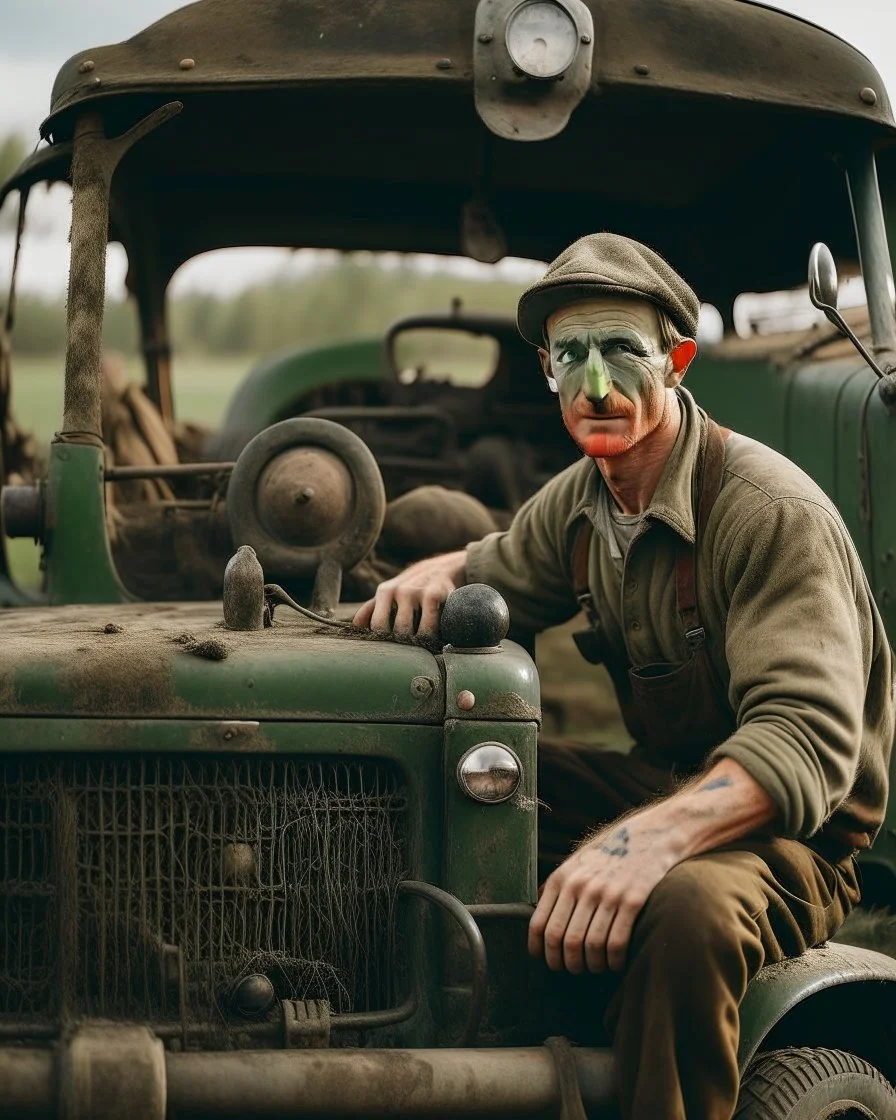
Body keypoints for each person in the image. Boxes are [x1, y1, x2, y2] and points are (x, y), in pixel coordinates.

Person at [353, 232, 894, 1120]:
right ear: (544, 369)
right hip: (672, 784)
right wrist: (438, 573)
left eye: (621, 353)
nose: (595, 386)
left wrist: (639, 844)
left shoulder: (768, 513)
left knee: (688, 914)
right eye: (570, 356)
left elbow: (807, 747)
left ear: (678, 360)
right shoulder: (586, 496)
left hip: (797, 837)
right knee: (470, 785)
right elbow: (502, 565)